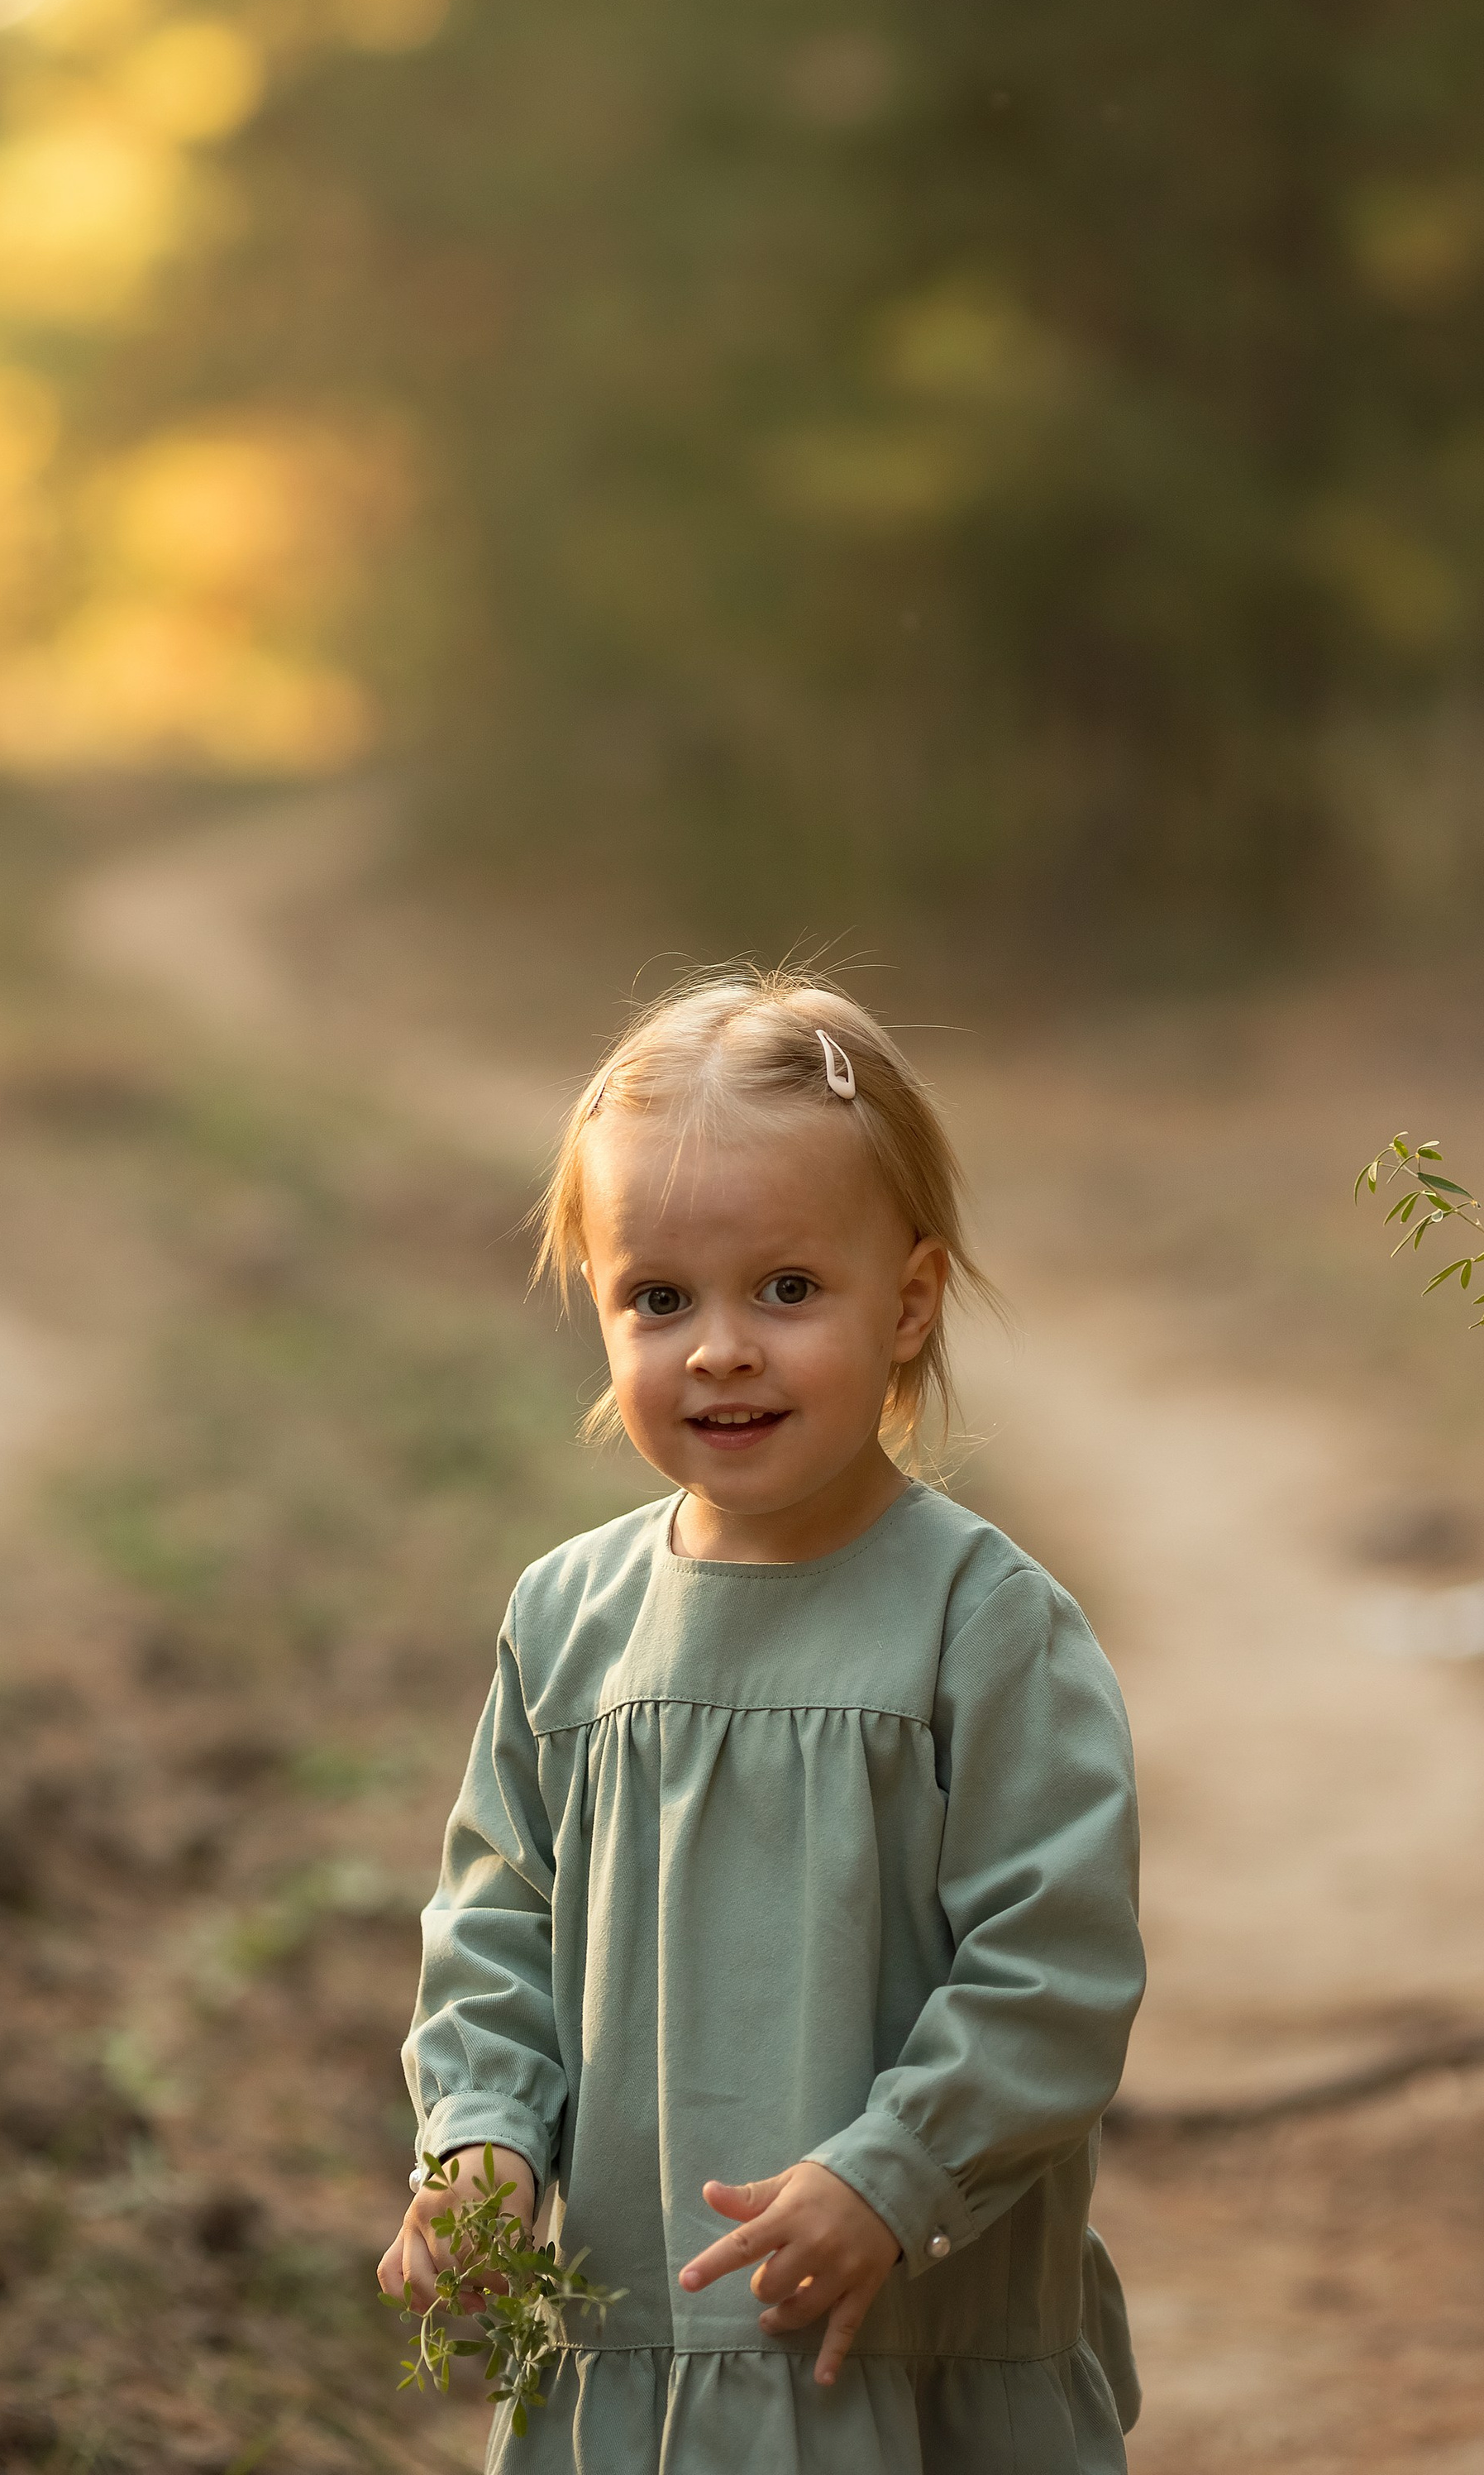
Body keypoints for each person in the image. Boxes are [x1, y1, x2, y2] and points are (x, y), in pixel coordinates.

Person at [377, 972, 1144, 2472]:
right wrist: (479, 2136)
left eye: (786, 1290)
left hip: (897, 2332)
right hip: (629, 2338)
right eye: (658, 1299)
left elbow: (1054, 1964)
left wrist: (893, 2175)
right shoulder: (566, 1619)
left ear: (908, 1304)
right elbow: (493, 1921)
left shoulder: (980, 1624)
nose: (719, 1347)